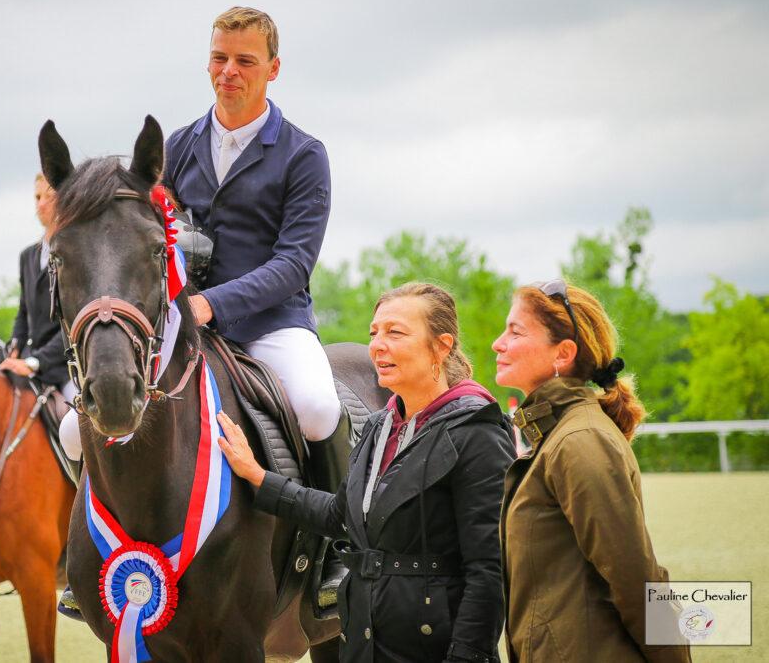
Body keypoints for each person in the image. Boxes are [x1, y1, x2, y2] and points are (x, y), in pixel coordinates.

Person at [218, 283, 515, 662]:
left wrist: (467, 656)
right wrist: (259, 477)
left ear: (441, 346)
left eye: (396, 332)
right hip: (364, 643)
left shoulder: (479, 433)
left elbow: (488, 572)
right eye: (374, 333)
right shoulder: (378, 428)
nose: (378, 345)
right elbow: (340, 516)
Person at [162, 4, 349, 603]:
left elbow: (294, 262)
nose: (229, 72)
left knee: (319, 407)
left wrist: (211, 304)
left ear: (273, 68)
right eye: (219, 58)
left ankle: (338, 546)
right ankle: (89, 552)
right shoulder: (176, 146)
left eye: (245, 61)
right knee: (73, 423)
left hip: (270, 323)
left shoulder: (303, 154)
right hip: (185, 321)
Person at [493, 280, 691, 662]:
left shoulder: (581, 440)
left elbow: (636, 578)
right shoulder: (557, 436)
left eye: (515, 331)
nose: (498, 343)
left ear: (563, 353)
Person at [0, 174, 75, 408]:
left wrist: (35, 362)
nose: (41, 204)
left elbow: (71, 324)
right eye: (37, 197)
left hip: (66, 369)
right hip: (28, 361)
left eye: (50, 196)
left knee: (82, 418)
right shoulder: (28, 256)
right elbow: (24, 313)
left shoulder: (74, 254)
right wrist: (14, 348)